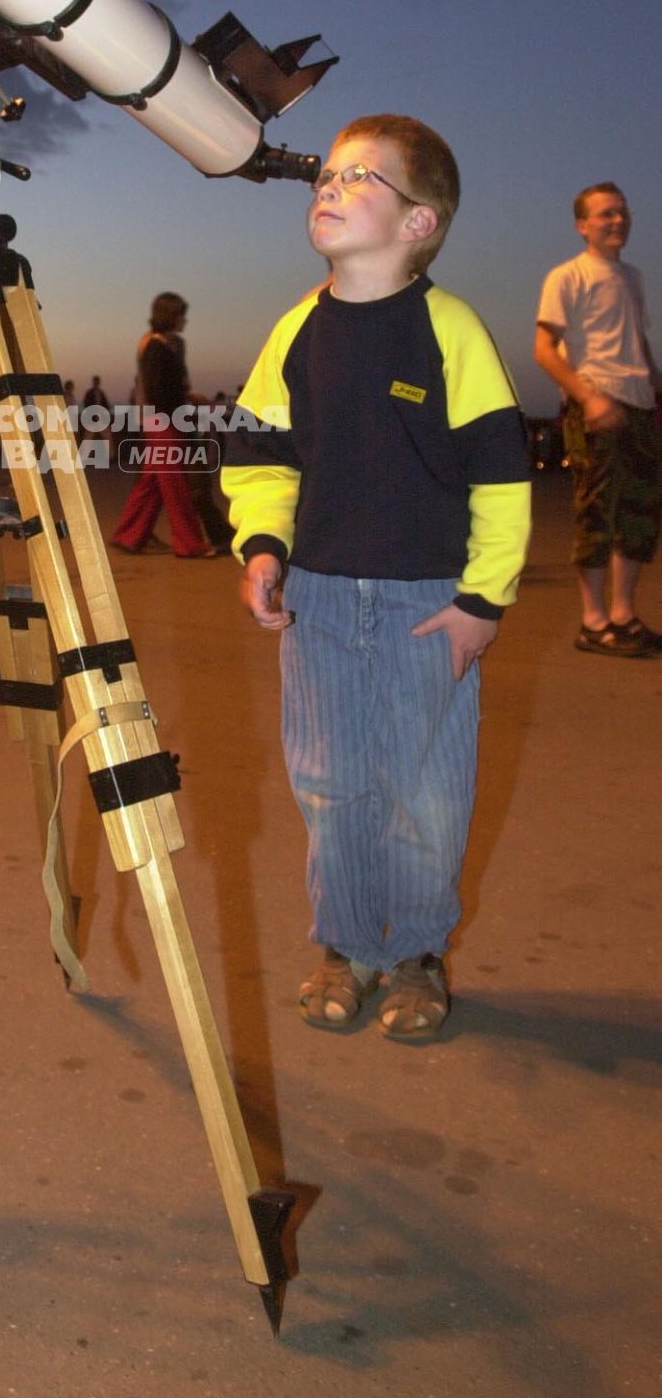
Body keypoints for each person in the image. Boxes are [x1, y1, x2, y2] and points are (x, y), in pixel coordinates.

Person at [222, 116, 531, 1041]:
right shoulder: (295, 329)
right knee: (327, 783)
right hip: (317, 599)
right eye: (330, 172)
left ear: (418, 223)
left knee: (425, 793)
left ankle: (418, 954)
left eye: (362, 178)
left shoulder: (450, 328)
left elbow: (501, 474)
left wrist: (483, 600)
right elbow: (261, 454)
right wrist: (263, 547)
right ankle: (348, 946)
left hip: (425, 607)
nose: (330, 185)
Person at [534, 183, 662, 657]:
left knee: (641, 515)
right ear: (582, 225)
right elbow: (544, 350)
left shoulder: (632, 276)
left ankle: (624, 615)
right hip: (597, 403)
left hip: (640, 407)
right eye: (606, 214)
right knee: (597, 515)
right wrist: (588, 398)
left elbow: (637, 343)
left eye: (623, 213)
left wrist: (654, 386)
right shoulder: (568, 276)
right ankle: (593, 621)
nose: (617, 220)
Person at [110, 292, 219, 558]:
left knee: (153, 481)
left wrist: (188, 399)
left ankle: (128, 535)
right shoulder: (155, 347)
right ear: (171, 316)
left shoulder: (170, 345)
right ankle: (189, 543)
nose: (185, 320)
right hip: (163, 421)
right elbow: (158, 391)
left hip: (165, 419)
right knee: (174, 483)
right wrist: (187, 401)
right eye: (182, 314)